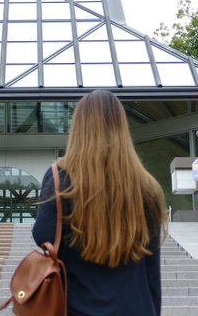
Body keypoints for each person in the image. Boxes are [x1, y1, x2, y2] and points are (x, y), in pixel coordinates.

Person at [32, 90, 168, 316]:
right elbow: (151, 271)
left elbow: (43, 237)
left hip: (78, 307)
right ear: (121, 127)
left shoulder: (60, 177)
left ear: (79, 128)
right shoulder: (147, 186)